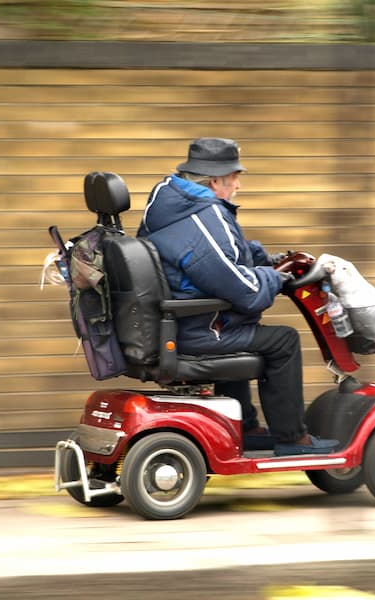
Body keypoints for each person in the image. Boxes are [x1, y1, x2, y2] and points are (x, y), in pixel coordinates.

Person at [137, 137, 338, 456]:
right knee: (283, 340)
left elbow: (220, 256)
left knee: (240, 327)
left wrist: (263, 257)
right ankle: (292, 439)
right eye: (235, 177)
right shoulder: (204, 216)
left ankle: (245, 428)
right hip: (195, 331)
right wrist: (275, 278)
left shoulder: (169, 200)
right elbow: (246, 292)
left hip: (179, 323)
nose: (238, 185)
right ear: (215, 181)